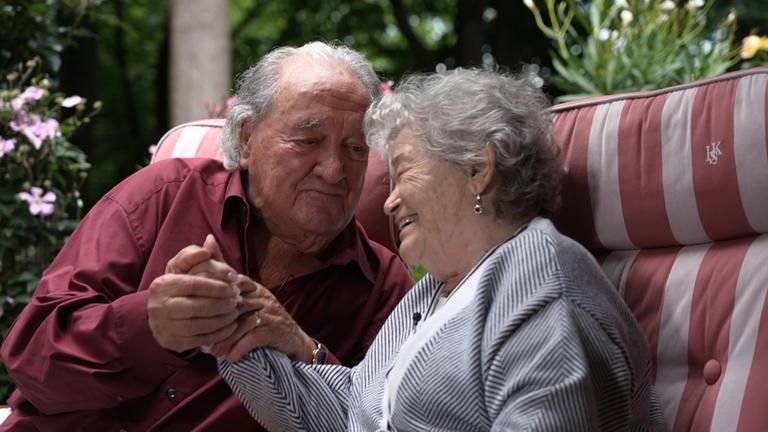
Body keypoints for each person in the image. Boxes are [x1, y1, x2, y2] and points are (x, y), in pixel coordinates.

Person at [219, 68, 666, 431]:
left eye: (405, 172)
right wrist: (231, 328)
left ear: (478, 169)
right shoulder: (435, 290)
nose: (390, 201)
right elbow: (352, 410)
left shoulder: (542, 287)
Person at [0, 42, 413, 431]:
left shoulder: (383, 286)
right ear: (247, 138)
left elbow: (383, 419)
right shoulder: (162, 196)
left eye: (355, 148)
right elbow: (33, 358)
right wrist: (149, 326)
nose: (334, 170)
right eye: (308, 140)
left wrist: (306, 351)